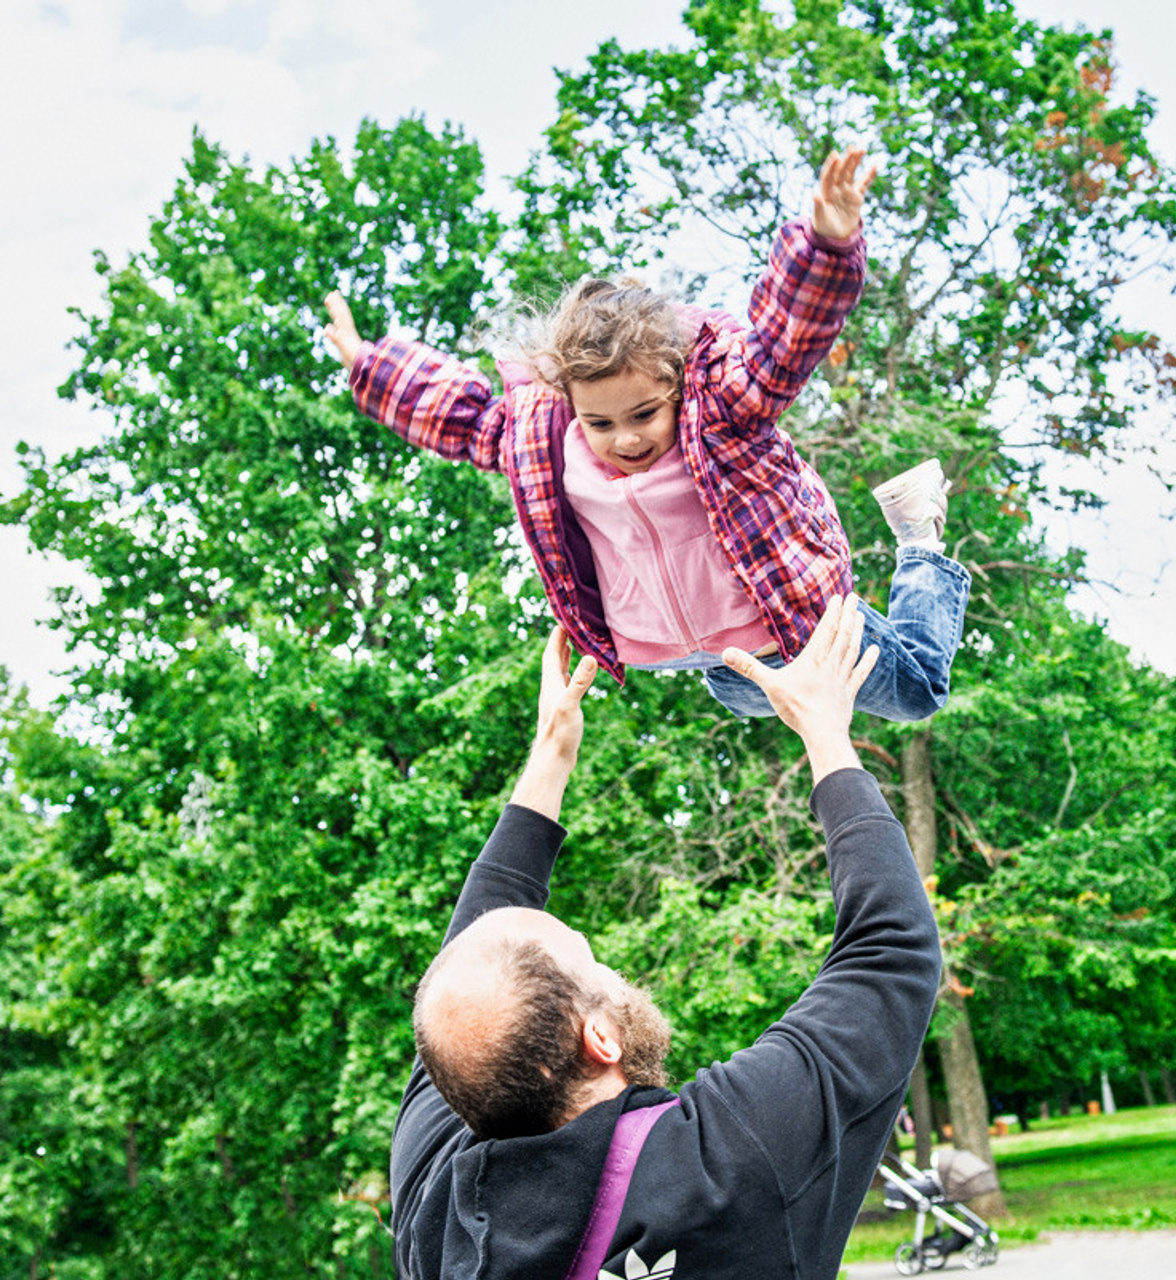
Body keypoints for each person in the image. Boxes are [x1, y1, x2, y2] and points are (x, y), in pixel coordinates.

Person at [389, 598, 943, 1279]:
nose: (611, 968)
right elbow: (891, 953)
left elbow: (469, 983)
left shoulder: (435, 1216)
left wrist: (550, 760)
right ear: (601, 1040)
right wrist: (825, 732)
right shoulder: (732, 1154)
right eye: (594, 962)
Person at [324, 147, 970, 721]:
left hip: (792, 623)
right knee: (748, 701)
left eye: (643, 415)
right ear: (569, 404)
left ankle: (921, 545)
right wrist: (370, 365)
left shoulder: (723, 406)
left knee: (916, 694)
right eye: (600, 422)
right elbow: (462, 419)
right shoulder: (544, 441)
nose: (625, 439)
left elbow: (786, 344)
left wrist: (825, 247)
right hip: (702, 660)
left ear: (677, 386)